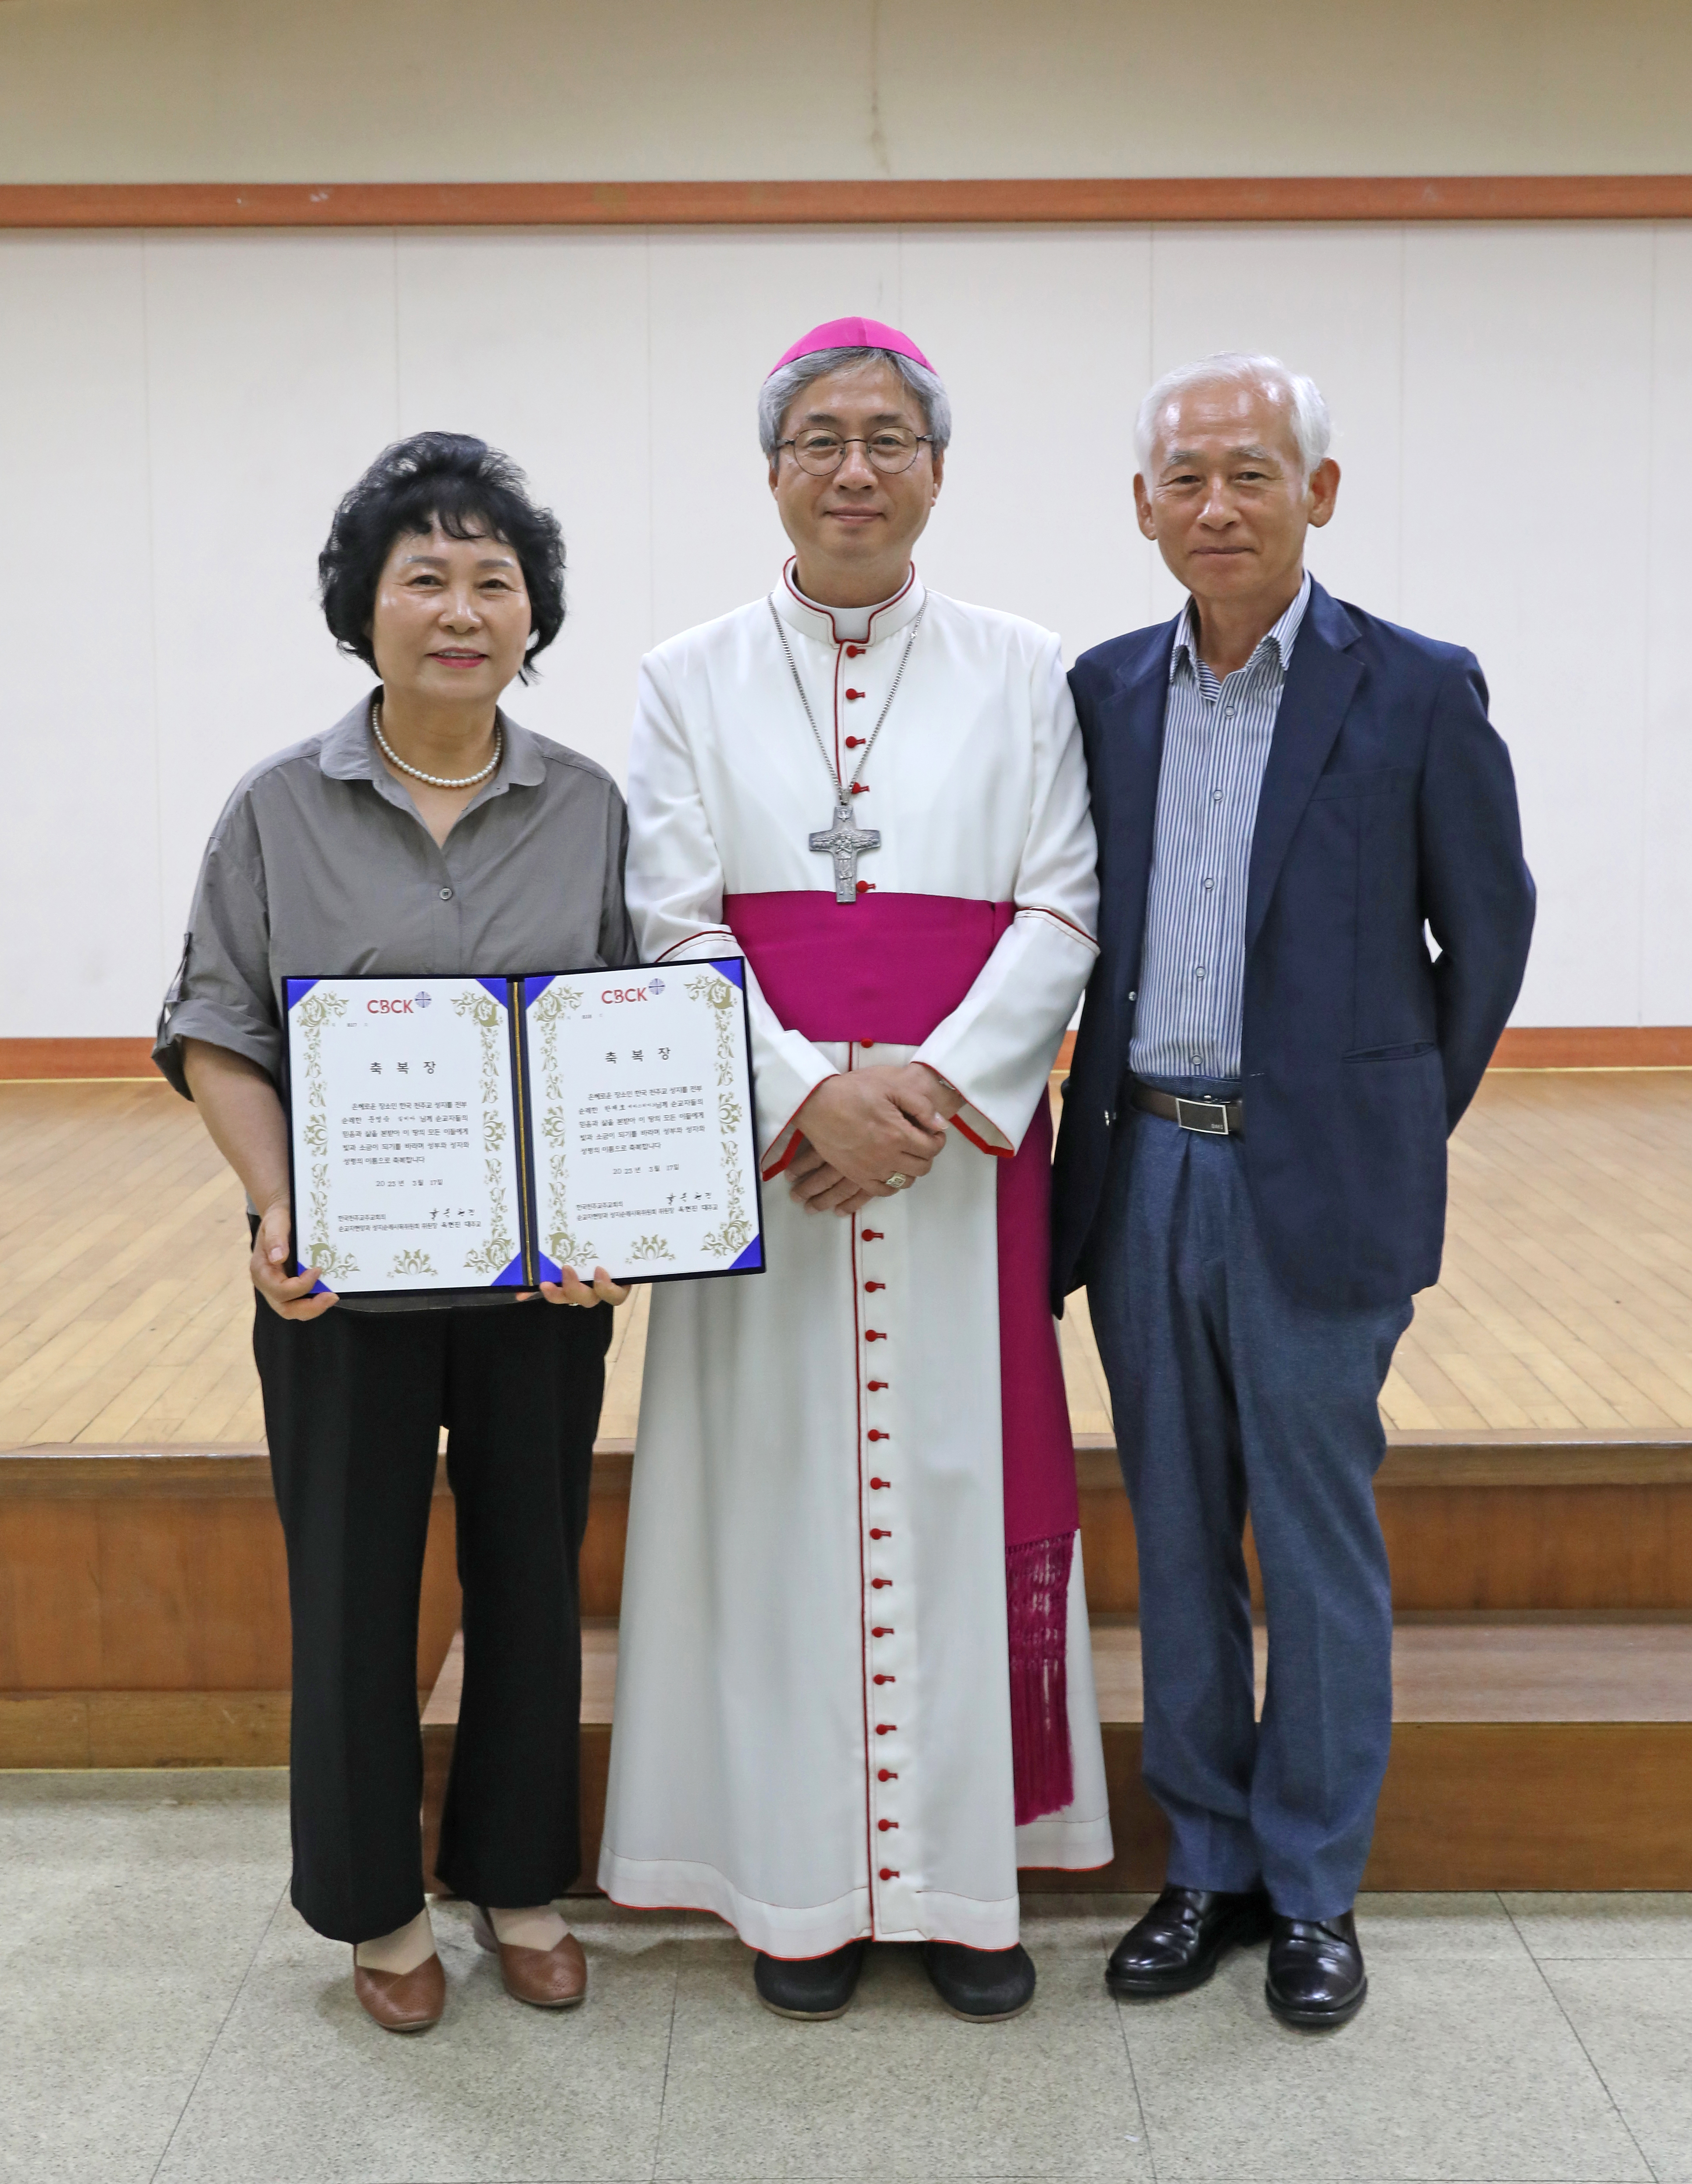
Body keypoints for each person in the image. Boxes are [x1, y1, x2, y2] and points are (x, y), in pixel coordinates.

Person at [598, 316, 1111, 2023]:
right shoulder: (685, 676)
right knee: (770, 1520)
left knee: (961, 1504)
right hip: (776, 1178)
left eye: (888, 436)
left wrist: (932, 1091)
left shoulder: (1025, 665)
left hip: (956, 1181)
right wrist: (807, 1093)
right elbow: (670, 921)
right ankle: (797, 1889)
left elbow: (1061, 905)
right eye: (819, 436)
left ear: (936, 469)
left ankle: (969, 1891)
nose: (854, 468)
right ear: (772, 470)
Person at [1052, 354, 1535, 2028]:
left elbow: (1488, 940)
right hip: (1145, 1176)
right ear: (1142, 511)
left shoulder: (1415, 690)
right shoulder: (1103, 695)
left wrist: (1383, 1121)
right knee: (1177, 1531)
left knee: (1315, 1539)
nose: (1217, 505)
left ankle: (1320, 1886)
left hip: (1316, 1184)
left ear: (1319, 493)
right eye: (1184, 478)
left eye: (1252, 473)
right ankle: (1208, 1864)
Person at [154, 432, 634, 2033]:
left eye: (493, 579)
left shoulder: (590, 808)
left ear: (531, 615)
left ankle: (515, 1877)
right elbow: (217, 1023)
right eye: (422, 576)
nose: (460, 607)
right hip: (337, 1281)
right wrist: (278, 1199)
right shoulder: (277, 807)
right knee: (352, 1586)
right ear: (364, 608)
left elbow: (632, 1038)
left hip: (537, 1285)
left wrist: (616, 1212)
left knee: (528, 1575)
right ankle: (371, 1905)